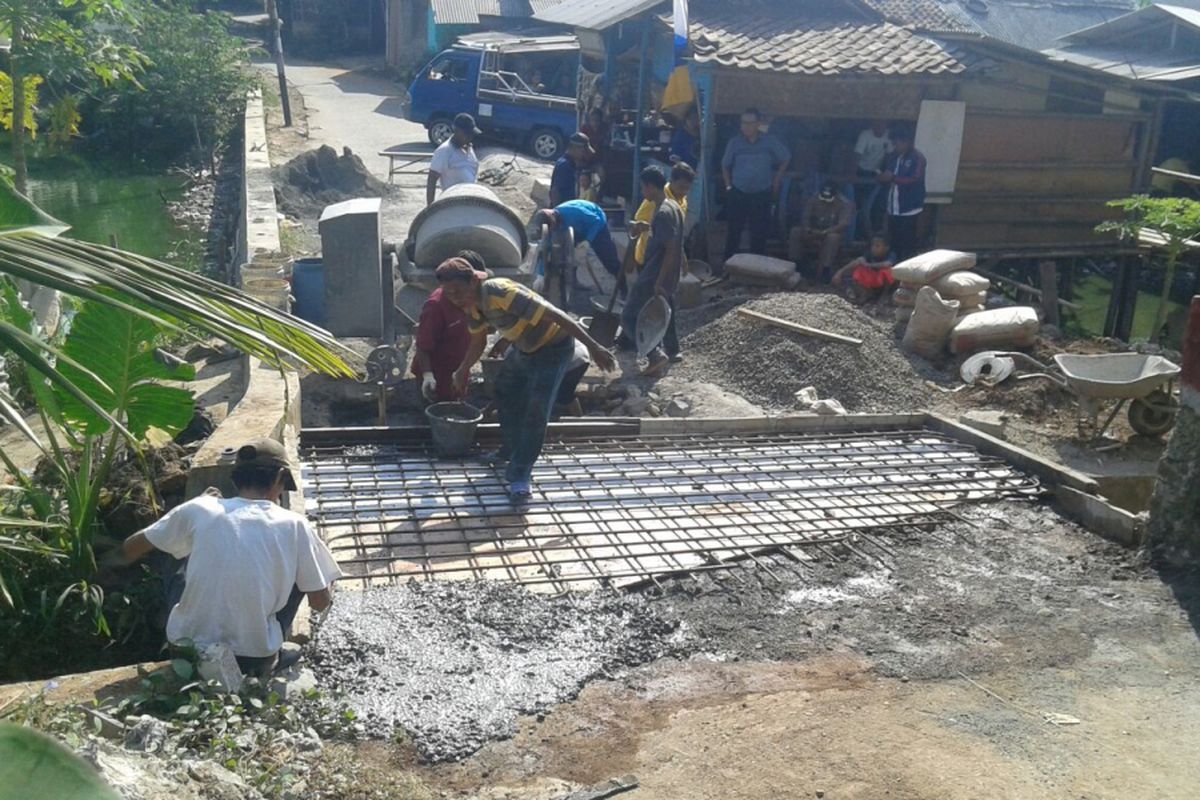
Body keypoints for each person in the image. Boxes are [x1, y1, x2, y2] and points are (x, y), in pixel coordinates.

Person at [120, 439, 340, 678]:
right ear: (279, 478)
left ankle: (181, 620)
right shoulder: (295, 524)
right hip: (253, 660)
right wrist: (321, 573)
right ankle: (273, 655)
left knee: (172, 545)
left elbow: (131, 548)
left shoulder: (199, 508)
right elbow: (319, 602)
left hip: (185, 652)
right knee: (308, 573)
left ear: (235, 479)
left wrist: (191, 508)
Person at [440, 258, 616, 502]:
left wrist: (594, 347)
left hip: (553, 350)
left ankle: (521, 475)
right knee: (504, 392)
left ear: (473, 281)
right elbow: (478, 341)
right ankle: (510, 450)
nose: (455, 298)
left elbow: (557, 315)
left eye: (458, 291)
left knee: (536, 410)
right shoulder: (471, 305)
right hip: (524, 349)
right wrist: (462, 370)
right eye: (449, 294)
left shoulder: (500, 292)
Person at [622, 166, 685, 377]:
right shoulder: (672, 207)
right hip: (661, 273)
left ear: (650, 186)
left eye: (643, 188)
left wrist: (659, 281)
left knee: (629, 316)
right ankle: (659, 353)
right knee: (657, 316)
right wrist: (645, 228)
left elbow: (670, 248)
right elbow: (669, 239)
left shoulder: (663, 213)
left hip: (653, 275)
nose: (643, 193)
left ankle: (655, 356)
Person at [411, 249, 486, 403]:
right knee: (437, 418)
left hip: (458, 369)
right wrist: (428, 377)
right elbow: (423, 345)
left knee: (457, 412)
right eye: (452, 292)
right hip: (437, 375)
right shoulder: (435, 307)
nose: (457, 297)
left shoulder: (473, 299)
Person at [721, 107, 790, 261]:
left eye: (750, 123)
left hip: (762, 192)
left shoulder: (769, 141)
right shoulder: (734, 143)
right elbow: (725, 165)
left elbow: (785, 157)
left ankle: (755, 269)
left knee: (759, 233)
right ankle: (728, 267)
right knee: (734, 232)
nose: (746, 126)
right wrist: (728, 186)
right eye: (743, 123)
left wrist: (777, 179)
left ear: (758, 124)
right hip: (738, 192)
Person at [533, 199, 622, 283]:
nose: (553, 230)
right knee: (569, 254)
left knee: (609, 260)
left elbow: (597, 221)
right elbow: (546, 248)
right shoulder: (551, 225)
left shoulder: (573, 213)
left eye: (553, 227)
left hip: (595, 224)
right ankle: (572, 281)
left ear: (553, 218)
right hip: (575, 229)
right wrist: (540, 275)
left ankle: (622, 287)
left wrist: (588, 240)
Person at [632, 162, 694, 271]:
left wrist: (682, 258)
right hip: (648, 256)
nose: (683, 192)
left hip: (665, 258)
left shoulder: (682, 200)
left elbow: (677, 232)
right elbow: (638, 223)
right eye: (681, 187)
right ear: (672, 181)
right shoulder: (657, 196)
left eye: (687, 189)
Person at [880, 127, 926, 261]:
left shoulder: (917, 157)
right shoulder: (893, 156)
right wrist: (882, 177)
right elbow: (886, 173)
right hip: (893, 207)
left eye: (898, 143)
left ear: (906, 142)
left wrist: (893, 178)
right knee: (894, 241)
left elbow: (915, 178)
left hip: (909, 207)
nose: (895, 146)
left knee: (908, 242)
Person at [795, 181, 854, 283]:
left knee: (832, 238)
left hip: (832, 232)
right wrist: (808, 229)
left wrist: (826, 231)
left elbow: (843, 224)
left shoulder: (844, 203)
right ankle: (797, 265)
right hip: (813, 230)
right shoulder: (813, 198)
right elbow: (805, 217)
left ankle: (825, 270)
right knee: (795, 232)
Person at [426, 113, 481, 205]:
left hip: (470, 203)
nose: (470, 138)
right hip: (452, 205)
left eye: (471, 135)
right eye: (466, 134)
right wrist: (430, 208)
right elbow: (432, 179)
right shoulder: (444, 151)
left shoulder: (469, 149)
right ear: (456, 131)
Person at [832, 234, 896, 304]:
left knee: (889, 271)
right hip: (872, 281)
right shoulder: (869, 254)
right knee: (859, 270)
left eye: (877, 246)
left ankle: (884, 296)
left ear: (886, 248)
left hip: (883, 284)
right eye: (872, 246)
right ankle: (864, 295)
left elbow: (887, 264)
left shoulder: (891, 254)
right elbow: (859, 260)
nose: (873, 248)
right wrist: (840, 272)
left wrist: (869, 265)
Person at [853, 120, 891, 237]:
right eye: (878, 124)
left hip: (877, 173)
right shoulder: (865, 135)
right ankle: (858, 232)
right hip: (862, 172)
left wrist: (887, 173)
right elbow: (857, 155)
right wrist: (853, 175)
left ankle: (876, 233)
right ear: (873, 125)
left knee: (877, 205)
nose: (880, 127)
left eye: (883, 124)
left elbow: (889, 156)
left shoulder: (888, 136)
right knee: (859, 205)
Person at [550, 132, 594, 206]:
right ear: (574, 148)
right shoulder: (565, 165)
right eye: (583, 151)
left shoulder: (572, 164)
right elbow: (555, 191)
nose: (584, 154)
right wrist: (558, 211)